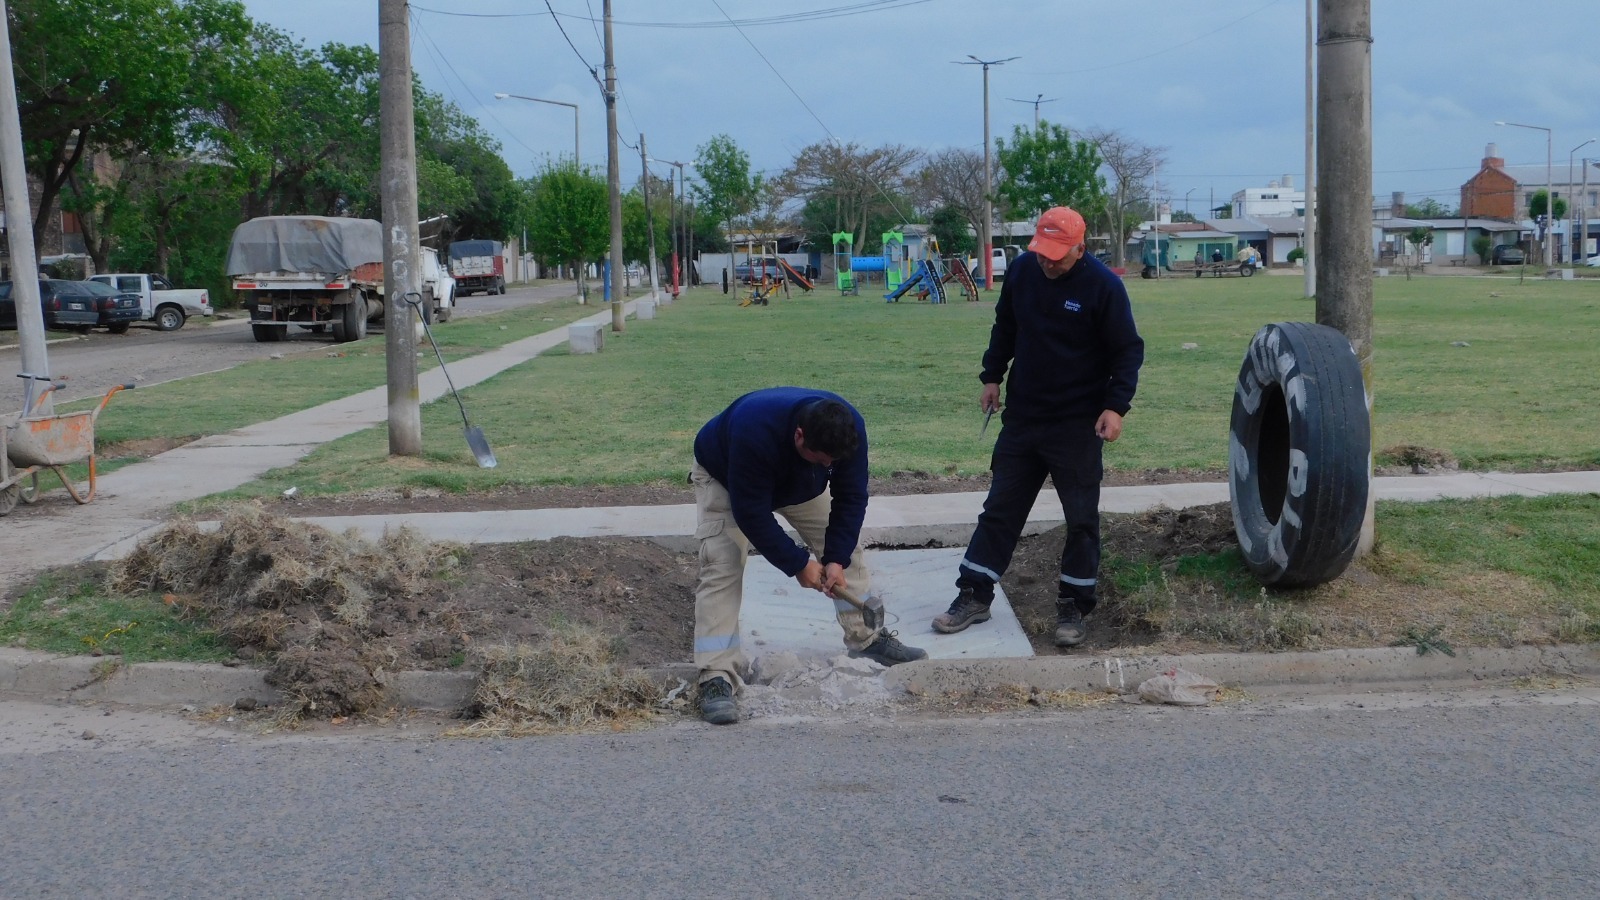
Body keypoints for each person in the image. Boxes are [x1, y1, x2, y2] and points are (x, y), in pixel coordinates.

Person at [932, 206, 1145, 648]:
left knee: (1081, 520)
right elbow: (1005, 325)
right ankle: (974, 595)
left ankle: (1073, 604)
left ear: (1080, 248)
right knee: (999, 510)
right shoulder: (1024, 271)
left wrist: (1116, 407)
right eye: (1042, 252)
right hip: (1024, 419)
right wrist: (992, 376)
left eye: (1058, 255)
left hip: (1076, 425)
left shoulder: (1104, 287)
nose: (1048, 262)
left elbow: (1127, 351)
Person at [692, 387, 927, 724]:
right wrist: (798, 563)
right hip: (727, 477)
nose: (830, 466)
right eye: (822, 459)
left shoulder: (849, 430)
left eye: (834, 461)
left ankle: (867, 638)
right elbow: (751, 513)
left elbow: (851, 497)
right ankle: (715, 675)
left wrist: (835, 558)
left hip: (800, 483)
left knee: (850, 557)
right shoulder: (754, 430)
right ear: (799, 435)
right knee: (722, 565)